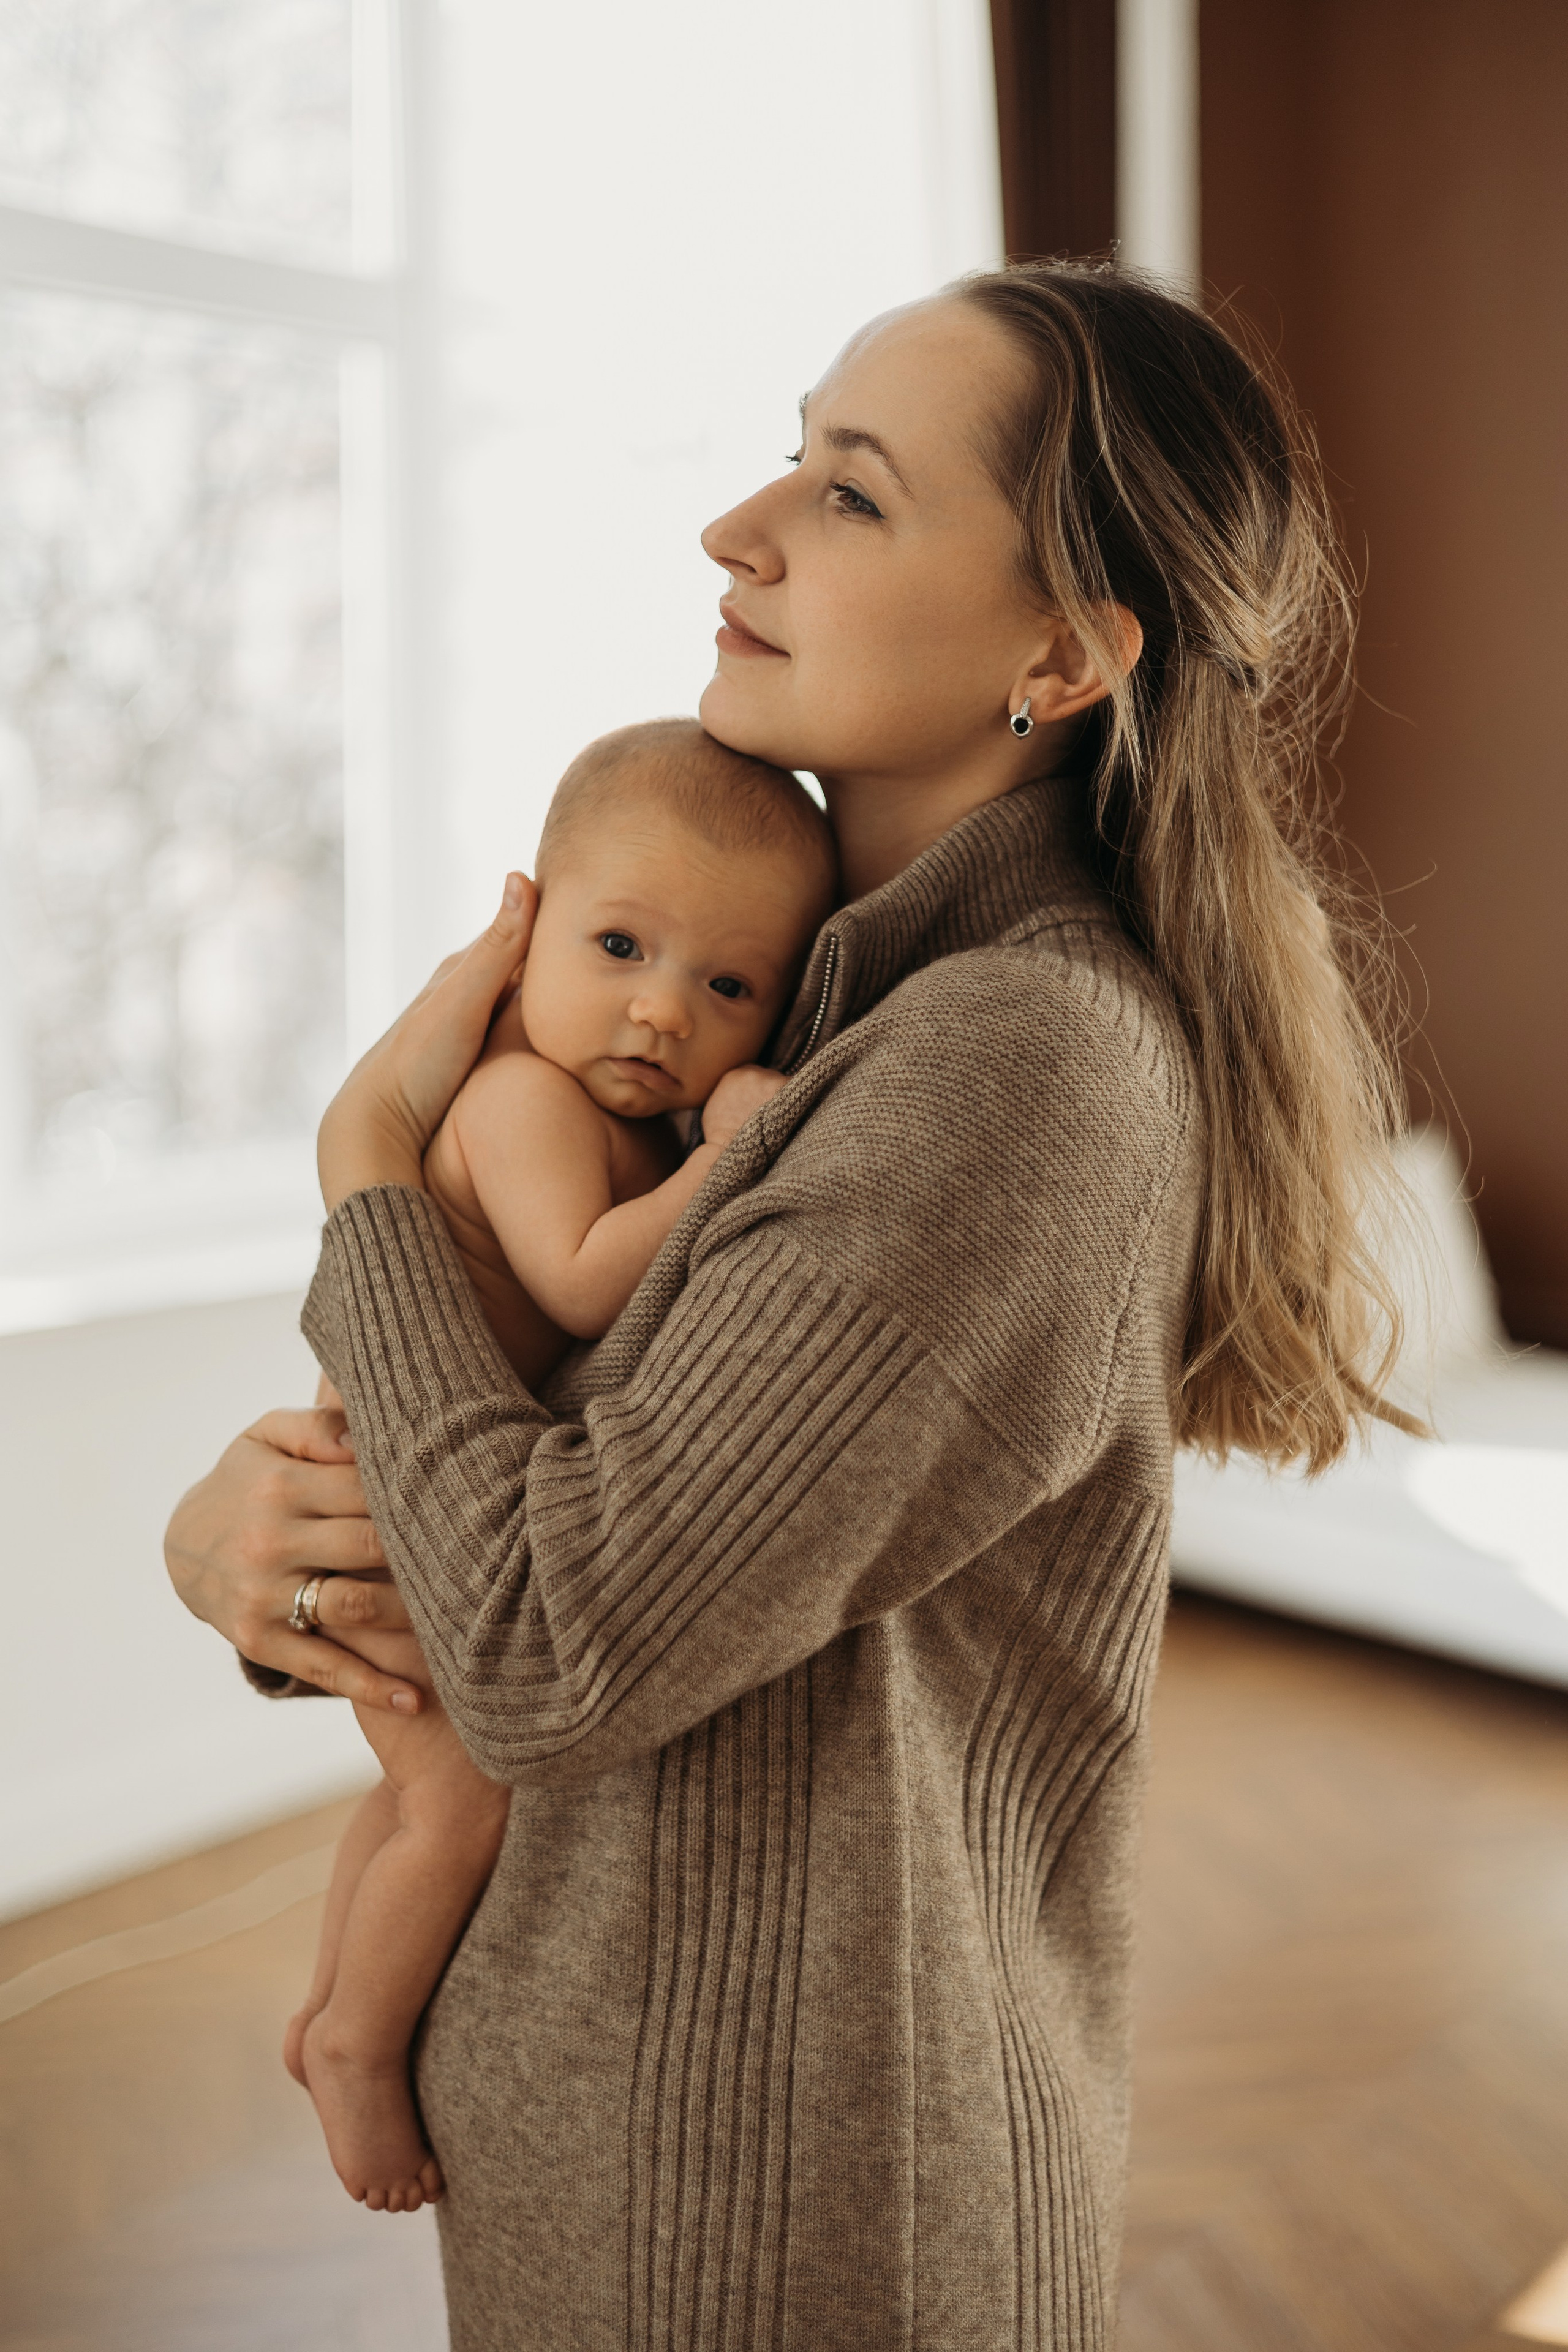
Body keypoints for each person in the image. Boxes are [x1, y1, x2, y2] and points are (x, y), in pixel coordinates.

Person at [167, 262, 1411, 2349]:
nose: (736, 526)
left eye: (850, 491)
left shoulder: (1010, 1067)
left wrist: (366, 1176)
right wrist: (265, 1560)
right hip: (638, 2149)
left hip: (782, 2220)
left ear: (1060, 653)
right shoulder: (816, 1023)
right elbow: (571, 1507)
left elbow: (553, 1641)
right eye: (791, 451)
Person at [280, 720, 836, 2212]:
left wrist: (714, 1127)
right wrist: (741, 1153)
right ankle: (353, 2040)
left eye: (727, 987)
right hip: (388, 1516)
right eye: (617, 945)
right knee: (458, 1803)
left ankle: (332, 2001)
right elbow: (588, 1283)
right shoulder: (523, 1100)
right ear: (519, 933)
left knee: (411, 1795)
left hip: (413, 1501)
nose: (661, 1012)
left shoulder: (618, 1116)